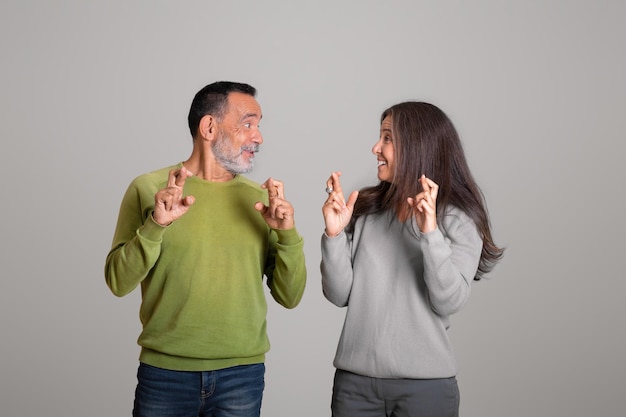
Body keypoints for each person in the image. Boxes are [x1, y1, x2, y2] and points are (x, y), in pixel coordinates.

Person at [105, 81, 307, 417]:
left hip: (242, 375)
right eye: (248, 123)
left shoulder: (260, 200)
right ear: (209, 127)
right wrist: (157, 224)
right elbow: (117, 281)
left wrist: (287, 234)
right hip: (164, 374)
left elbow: (291, 296)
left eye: (259, 125)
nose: (258, 137)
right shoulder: (150, 189)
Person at [320, 101, 504, 417]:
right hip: (354, 387)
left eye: (387, 138)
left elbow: (447, 301)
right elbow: (338, 295)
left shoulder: (458, 221)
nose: (376, 147)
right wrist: (334, 236)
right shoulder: (366, 212)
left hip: (426, 390)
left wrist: (430, 233)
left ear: (418, 146)